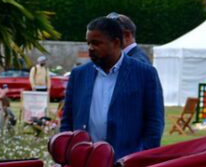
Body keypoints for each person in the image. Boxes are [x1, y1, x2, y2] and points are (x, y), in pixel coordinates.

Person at [58, 15, 164, 157]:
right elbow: (67, 120)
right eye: (88, 43)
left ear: (115, 42)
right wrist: (69, 152)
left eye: (96, 43)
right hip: (84, 164)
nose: (90, 48)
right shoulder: (79, 75)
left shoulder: (144, 74)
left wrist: (140, 157)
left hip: (126, 166)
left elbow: (154, 123)